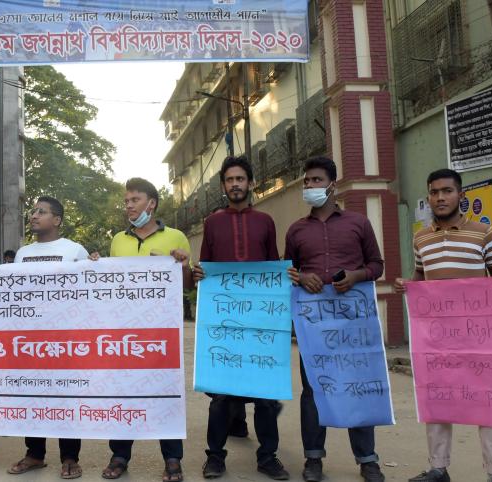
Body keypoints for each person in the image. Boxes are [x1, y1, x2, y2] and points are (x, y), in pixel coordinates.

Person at [396, 169, 492, 482]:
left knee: (487, 402)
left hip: (479, 336)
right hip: (437, 337)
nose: (440, 197)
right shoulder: (421, 237)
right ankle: (438, 468)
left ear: (460, 195)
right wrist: (407, 286)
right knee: (437, 399)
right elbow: (420, 279)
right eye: (434, 192)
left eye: (447, 191)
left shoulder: (482, 233)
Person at [284, 157, 385, 482]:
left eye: (315, 180)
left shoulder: (359, 223)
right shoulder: (296, 229)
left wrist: (355, 276)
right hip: (314, 325)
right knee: (314, 389)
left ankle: (367, 459)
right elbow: (288, 271)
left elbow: (377, 264)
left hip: (353, 323)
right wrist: (302, 278)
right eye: (306, 181)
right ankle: (313, 459)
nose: (309, 186)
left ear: (333, 185)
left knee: (357, 386)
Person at [192, 157, 288, 480]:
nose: (235, 184)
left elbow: (273, 268)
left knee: (264, 394)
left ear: (250, 183)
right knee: (221, 395)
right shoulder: (212, 222)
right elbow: (206, 266)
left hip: (259, 321)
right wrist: (199, 273)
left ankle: (268, 457)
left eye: (241, 179)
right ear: (223, 186)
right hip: (225, 322)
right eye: (230, 179)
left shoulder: (265, 221)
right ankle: (215, 457)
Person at [103, 177, 192, 482]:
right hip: (123, 333)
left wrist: (183, 266)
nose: (128, 206)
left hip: (161, 333)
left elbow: (189, 285)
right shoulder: (118, 240)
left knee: (164, 391)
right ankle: (119, 455)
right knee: (124, 392)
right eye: (126, 201)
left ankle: (172, 458)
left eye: (134, 200)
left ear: (151, 203)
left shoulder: (177, 236)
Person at [7, 195, 90, 480]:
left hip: (64, 338)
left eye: (41, 212)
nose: (33, 215)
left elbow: (89, 291)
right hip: (29, 339)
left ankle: (69, 457)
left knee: (65, 396)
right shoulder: (22, 253)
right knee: (32, 395)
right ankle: (35, 454)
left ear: (56, 220)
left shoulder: (74, 250)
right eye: (32, 211)